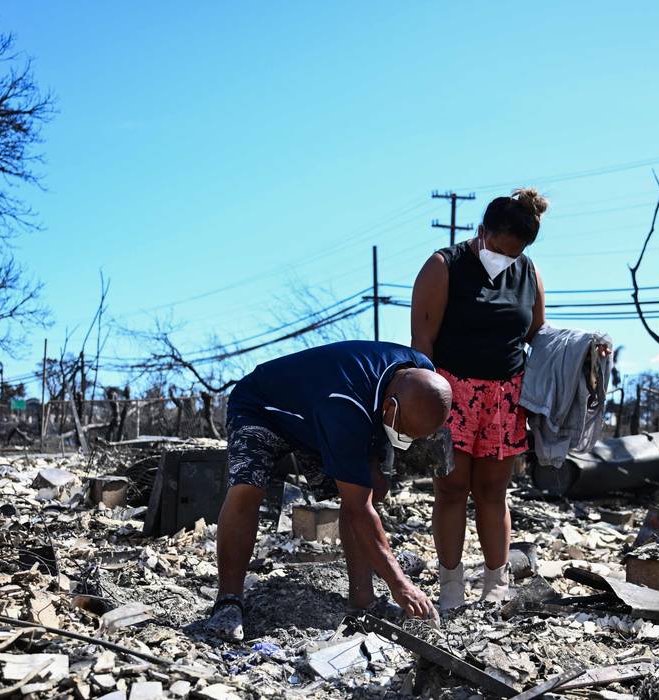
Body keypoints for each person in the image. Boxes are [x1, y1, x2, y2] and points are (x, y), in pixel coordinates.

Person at [204, 340, 452, 642]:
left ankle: (363, 601)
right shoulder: (345, 406)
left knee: (372, 487)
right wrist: (401, 584)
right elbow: (359, 509)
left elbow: (364, 495)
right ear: (391, 407)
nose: (405, 441)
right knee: (248, 488)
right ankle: (228, 601)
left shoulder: (421, 372)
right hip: (262, 407)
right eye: (404, 434)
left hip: (321, 411)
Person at [410, 187, 548, 610]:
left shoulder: (529, 273)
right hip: (451, 392)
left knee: (493, 492)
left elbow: (538, 337)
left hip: (505, 397)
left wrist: (587, 348)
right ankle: (451, 585)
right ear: (482, 231)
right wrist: (425, 406)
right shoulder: (443, 266)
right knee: (451, 489)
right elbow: (422, 341)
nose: (505, 259)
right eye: (500, 249)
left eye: (515, 253)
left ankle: (495, 584)